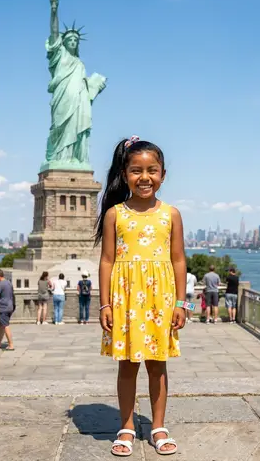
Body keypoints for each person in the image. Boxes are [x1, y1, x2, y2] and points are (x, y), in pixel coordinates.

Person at [95, 137, 186, 456]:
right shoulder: (114, 214)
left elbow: (178, 259)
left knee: (157, 364)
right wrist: (104, 303)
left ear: (162, 174)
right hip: (125, 299)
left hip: (160, 299)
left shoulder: (171, 214)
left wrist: (181, 303)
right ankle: (127, 425)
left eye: (152, 170)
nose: (144, 177)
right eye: (136, 170)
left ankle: (158, 426)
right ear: (125, 173)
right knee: (127, 365)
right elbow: (107, 260)